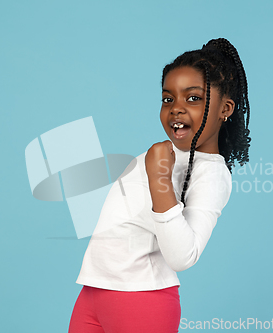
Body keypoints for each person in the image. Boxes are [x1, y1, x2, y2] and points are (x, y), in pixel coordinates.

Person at [68, 37, 251, 333]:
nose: (176, 109)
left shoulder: (211, 173)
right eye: (169, 99)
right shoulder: (163, 153)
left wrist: (159, 180)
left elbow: (182, 256)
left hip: (141, 298)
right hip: (94, 290)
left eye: (193, 98)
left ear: (225, 108)